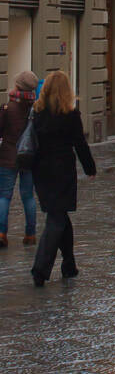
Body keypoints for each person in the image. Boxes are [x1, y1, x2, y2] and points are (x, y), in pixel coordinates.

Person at [30, 70, 96, 286]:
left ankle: (69, 264)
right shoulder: (70, 114)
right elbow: (80, 144)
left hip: (41, 172)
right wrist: (90, 168)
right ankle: (40, 269)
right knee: (57, 219)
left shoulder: (38, 112)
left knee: (60, 215)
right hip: (62, 172)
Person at [0, 71, 39, 248]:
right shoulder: (36, 108)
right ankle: (30, 234)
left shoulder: (9, 107)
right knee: (28, 196)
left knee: (4, 196)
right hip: (29, 157)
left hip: (8, 156)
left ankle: (1, 233)